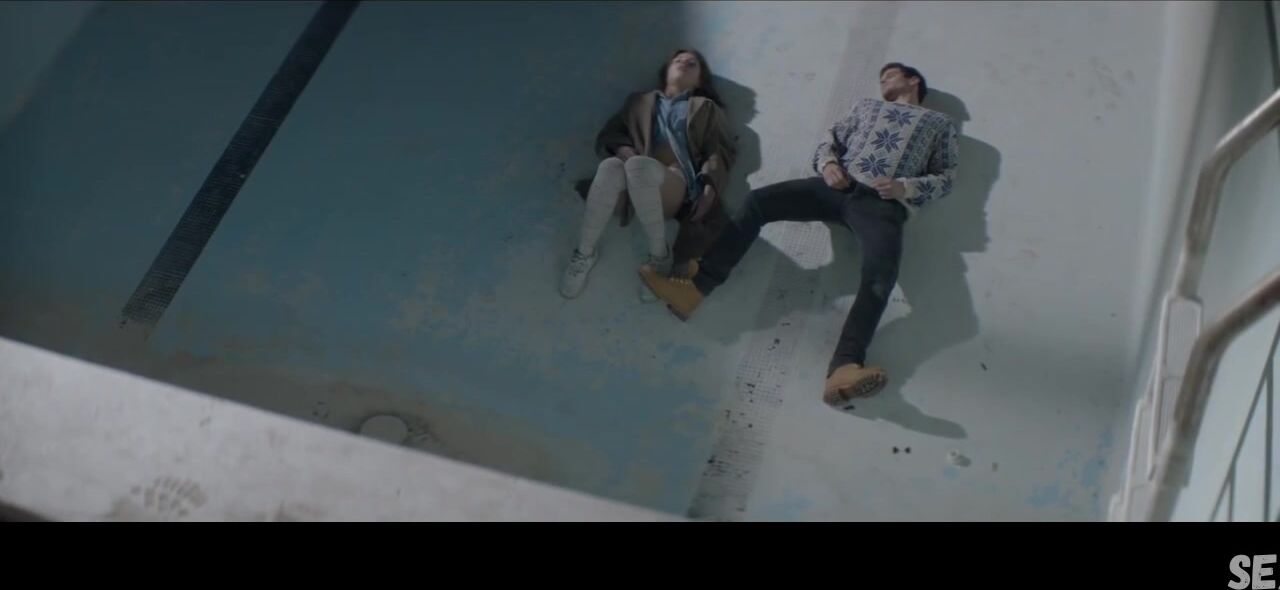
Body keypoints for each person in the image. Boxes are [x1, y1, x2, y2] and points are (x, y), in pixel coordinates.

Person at [641, 62, 959, 405]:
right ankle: (695, 288)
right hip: (835, 187)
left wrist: (905, 186)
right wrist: (828, 165)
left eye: (891, 75)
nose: (883, 81)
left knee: (881, 277)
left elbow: (946, 178)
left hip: (882, 206)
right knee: (759, 202)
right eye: (881, 78)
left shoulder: (938, 123)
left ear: (913, 80)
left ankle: (844, 368)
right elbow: (830, 141)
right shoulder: (867, 107)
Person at [561, 49, 736, 301]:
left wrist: (710, 187)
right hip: (633, 178)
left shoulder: (705, 107)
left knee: (639, 166)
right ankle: (584, 253)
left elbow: (718, 151)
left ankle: (660, 258)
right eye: (678, 60)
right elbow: (611, 133)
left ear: (700, 80)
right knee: (610, 167)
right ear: (666, 71)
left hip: (675, 183)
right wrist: (623, 148)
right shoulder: (639, 102)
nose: (684, 63)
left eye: (692, 63)